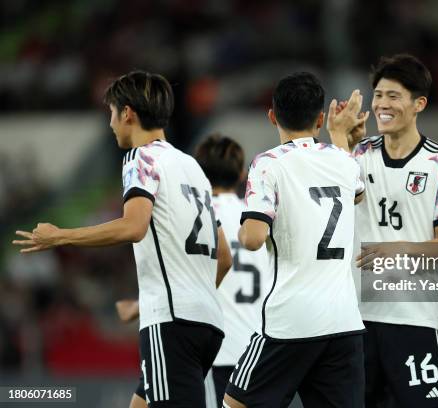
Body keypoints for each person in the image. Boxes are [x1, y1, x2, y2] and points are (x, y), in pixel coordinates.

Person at [13, 71, 233, 408]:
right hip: (207, 322)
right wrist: (196, 296)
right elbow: (223, 256)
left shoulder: (141, 158)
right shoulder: (192, 167)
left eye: (112, 113)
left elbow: (134, 226)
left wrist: (61, 236)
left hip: (171, 320)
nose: (111, 123)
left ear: (128, 113)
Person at [329, 53, 438, 407]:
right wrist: (341, 141)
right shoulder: (358, 155)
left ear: (419, 103)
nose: (382, 104)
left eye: (393, 96)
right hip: (358, 318)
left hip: (414, 317)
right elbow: (334, 196)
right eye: (378, 95)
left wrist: (397, 249)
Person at [223, 72, 367, 408]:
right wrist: (342, 137)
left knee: (235, 403)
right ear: (320, 119)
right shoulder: (344, 162)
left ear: (272, 115)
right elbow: (354, 194)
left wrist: (245, 228)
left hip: (291, 320)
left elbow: (254, 239)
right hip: (343, 319)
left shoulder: (268, 164)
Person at [194, 135, 271, 407]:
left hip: (217, 349)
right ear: (241, 174)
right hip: (259, 349)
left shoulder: (198, 216)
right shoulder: (258, 218)